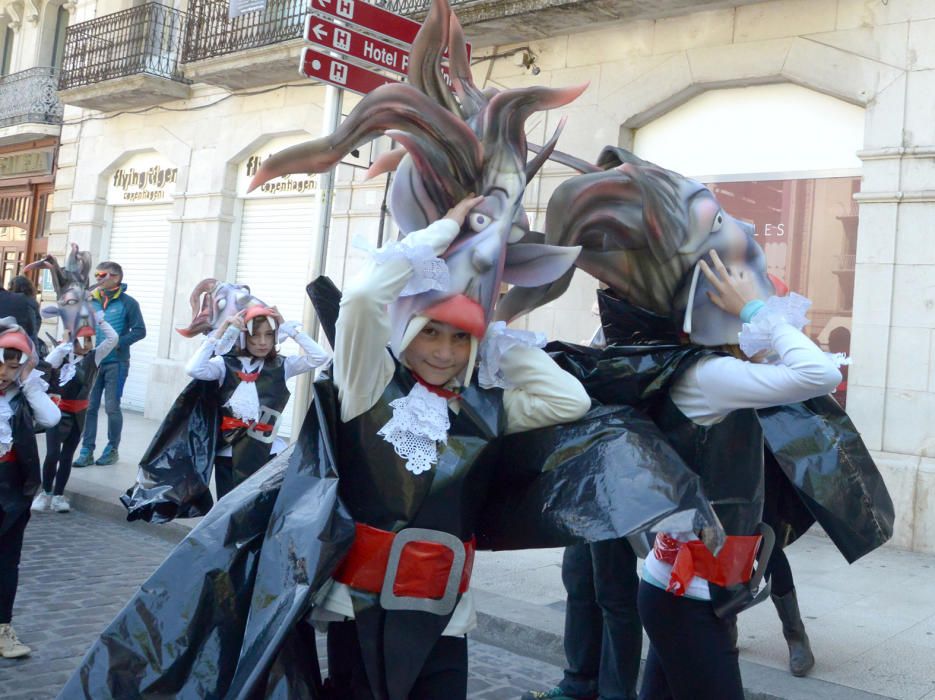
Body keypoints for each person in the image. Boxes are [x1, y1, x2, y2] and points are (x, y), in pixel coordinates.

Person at [316, 194, 591, 699]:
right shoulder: (368, 383)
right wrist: (442, 231)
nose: (444, 352)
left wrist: (495, 342)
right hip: (361, 609)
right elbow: (360, 300)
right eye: (431, 334)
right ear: (408, 332)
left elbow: (569, 399)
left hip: (445, 616)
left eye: (461, 339)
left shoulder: (486, 408)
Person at [635, 252, 840, 700]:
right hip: (687, 594)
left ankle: (795, 632)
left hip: (686, 588)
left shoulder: (705, 368)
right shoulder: (711, 375)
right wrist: (755, 310)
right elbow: (821, 373)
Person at [184, 304, 330, 499]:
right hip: (230, 453)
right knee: (227, 513)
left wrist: (288, 328)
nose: (263, 342)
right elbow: (194, 369)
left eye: (269, 334)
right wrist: (221, 332)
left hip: (266, 452)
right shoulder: (224, 364)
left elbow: (319, 356)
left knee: (259, 513)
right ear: (244, 337)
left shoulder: (283, 365)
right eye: (255, 335)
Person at [0, 320, 60, 659]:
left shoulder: (21, 394)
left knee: (7, 560)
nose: (4, 373)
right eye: (0, 363)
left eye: (13, 366)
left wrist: (28, 382)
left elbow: (51, 419)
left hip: (10, 485)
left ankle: (2, 629)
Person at [31, 313, 117, 514]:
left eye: (86, 339)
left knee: (67, 455)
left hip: (79, 414)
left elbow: (113, 339)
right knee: (52, 454)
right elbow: (47, 364)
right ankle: (45, 493)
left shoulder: (93, 357)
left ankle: (59, 495)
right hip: (57, 412)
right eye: (79, 339)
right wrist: (64, 345)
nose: (83, 343)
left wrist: (101, 321)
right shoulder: (60, 356)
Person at [73, 262, 145, 467]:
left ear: (116, 277)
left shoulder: (129, 303)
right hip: (93, 363)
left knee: (112, 407)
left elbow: (140, 331)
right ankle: (86, 450)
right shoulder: (91, 301)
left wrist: (116, 344)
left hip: (117, 363)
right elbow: (82, 329)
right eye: (96, 274)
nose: (98, 278)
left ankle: (113, 449)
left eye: (102, 275)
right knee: (90, 407)